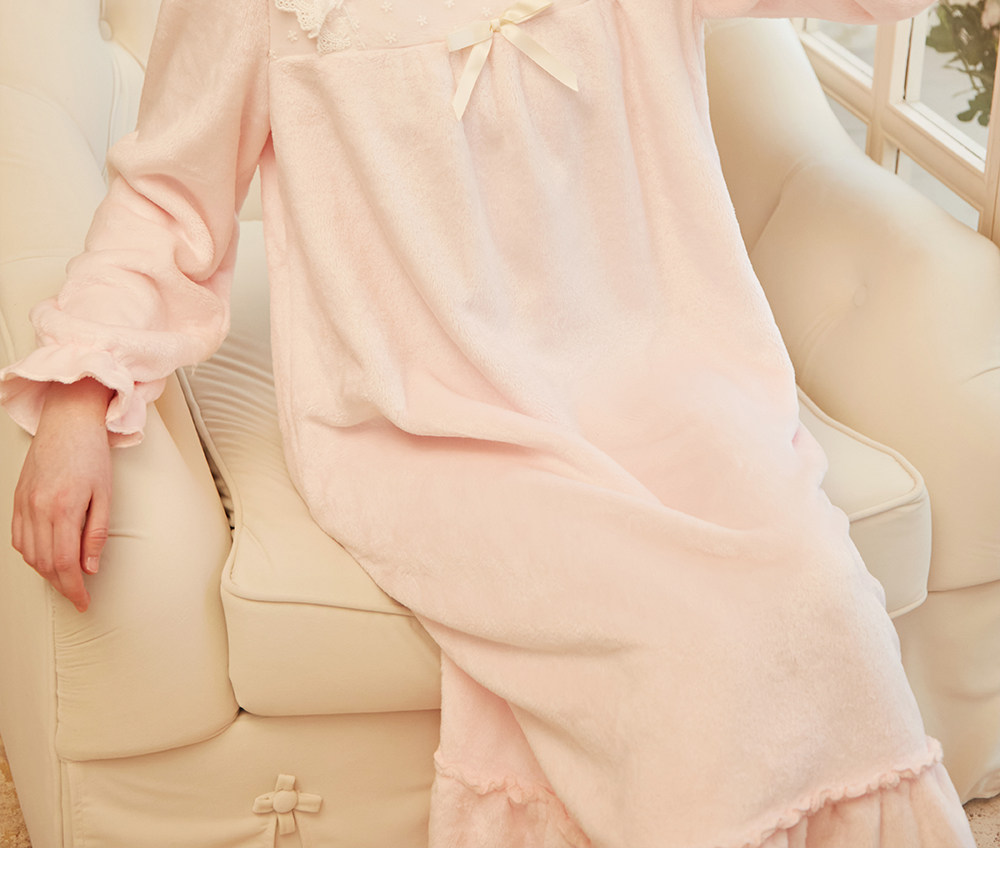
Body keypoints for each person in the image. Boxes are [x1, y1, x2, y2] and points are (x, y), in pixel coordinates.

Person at [0, 0, 977, 846]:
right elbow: (168, 199)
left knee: (819, 603)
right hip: (423, 420)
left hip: (665, 379)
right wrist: (82, 391)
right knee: (676, 636)